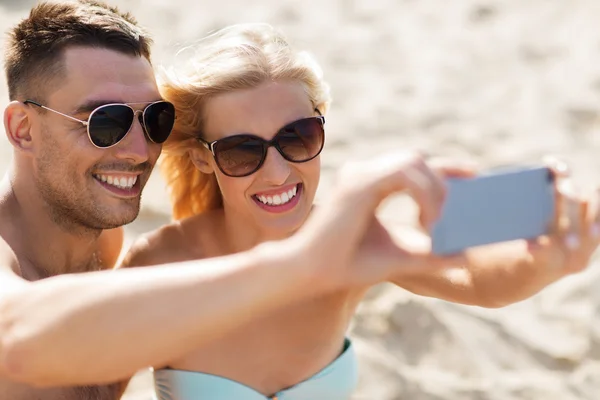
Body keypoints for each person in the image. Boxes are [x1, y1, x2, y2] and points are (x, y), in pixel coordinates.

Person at [0, 2, 473, 400]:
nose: (139, 149)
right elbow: (17, 337)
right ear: (23, 129)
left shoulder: (103, 241)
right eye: (104, 122)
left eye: (154, 120)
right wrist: (301, 263)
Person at [121, 23, 600, 400]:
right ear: (204, 157)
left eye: (298, 137)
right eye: (242, 151)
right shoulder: (159, 264)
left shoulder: (347, 240)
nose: (278, 172)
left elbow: (480, 284)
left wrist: (550, 260)